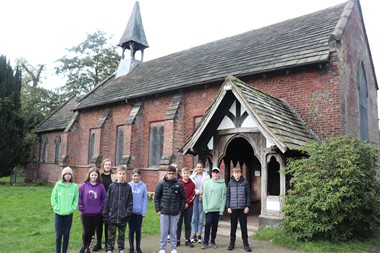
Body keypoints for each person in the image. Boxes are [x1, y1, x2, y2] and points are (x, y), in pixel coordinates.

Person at [154, 166, 186, 253]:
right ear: (166, 174)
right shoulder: (161, 184)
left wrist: (181, 209)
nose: (171, 175)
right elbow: (156, 198)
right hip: (164, 211)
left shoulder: (179, 184)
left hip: (175, 212)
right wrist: (158, 210)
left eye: (173, 174)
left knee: (173, 231)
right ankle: (162, 248)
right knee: (164, 232)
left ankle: (173, 248)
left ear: (175, 174)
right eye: (169, 173)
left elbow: (183, 198)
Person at [103, 166, 133, 253]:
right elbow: (107, 201)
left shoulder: (128, 187)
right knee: (111, 234)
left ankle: (121, 248)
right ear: (117, 174)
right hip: (112, 215)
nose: (122, 175)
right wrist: (106, 214)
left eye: (123, 174)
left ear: (125, 175)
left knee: (121, 234)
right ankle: (110, 249)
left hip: (123, 216)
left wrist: (127, 213)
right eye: (120, 173)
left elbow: (130, 202)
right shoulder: (112, 186)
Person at [78, 167, 107, 253]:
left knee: (92, 232)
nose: (93, 176)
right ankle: (84, 245)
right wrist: (81, 207)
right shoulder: (83, 186)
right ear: (89, 175)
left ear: (98, 176)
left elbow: (104, 199)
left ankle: (88, 248)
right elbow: (79, 198)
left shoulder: (101, 186)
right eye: (92, 175)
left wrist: (100, 208)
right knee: (86, 231)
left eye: (95, 175)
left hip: (96, 213)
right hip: (85, 213)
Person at [51, 166, 79, 253]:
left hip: (68, 214)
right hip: (58, 214)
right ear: (63, 175)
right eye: (66, 174)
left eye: (69, 174)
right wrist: (57, 208)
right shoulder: (58, 185)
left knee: (66, 234)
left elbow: (76, 200)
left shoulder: (74, 187)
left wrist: (72, 209)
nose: (67, 176)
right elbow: (53, 198)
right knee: (59, 235)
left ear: (71, 176)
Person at [226, 167, 252, 252]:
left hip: (242, 209)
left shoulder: (245, 183)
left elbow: (248, 195)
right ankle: (232, 243)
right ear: (233, 174)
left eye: (238, 173)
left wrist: (247, 206)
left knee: (243, 227)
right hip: (233, 209)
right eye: (235, 173)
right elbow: (228, 196)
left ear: (241, 174)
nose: (237, 174)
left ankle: (246, 244)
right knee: (233, 227)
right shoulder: (230, 183)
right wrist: (228, 206)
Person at [201, 167, 226, 249]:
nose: (215, 174)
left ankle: (212, 241)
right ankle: (205, 242)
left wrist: (221, 209)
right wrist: (205, 208)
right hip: (209, 209)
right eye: (214, 173)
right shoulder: (208, 184)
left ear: (219, 174)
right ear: (211, 174)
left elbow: (223, 198)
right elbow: (205, 196)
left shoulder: (222, 184)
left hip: (217, 209)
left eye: (217, 173)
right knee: (207, 224)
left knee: (215, 225)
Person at [93, 158, 115, 251]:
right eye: (106, 164)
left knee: (108, 224)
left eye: (109, 165)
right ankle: (98, 243)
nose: (107, 166)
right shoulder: (99, 176)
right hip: (99, 203)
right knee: (99, 224)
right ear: (103, 165)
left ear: (111, 166)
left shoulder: (114, 176)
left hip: (110, 204)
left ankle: (107, 244)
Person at [189, 161, 210, 244]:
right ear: (196, 168)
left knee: (201, 216)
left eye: (200, 167)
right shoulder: (192, 177)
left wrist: (202, 194)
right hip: (194, 196)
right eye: (198, 167)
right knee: (194, 216)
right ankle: (193, 234)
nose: (199, 168)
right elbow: (191, 188)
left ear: (203, 168)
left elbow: (207, 187)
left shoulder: (207, 177)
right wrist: (198, 192)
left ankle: (199, 234)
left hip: (202, 197)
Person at [128, 168, 148, 253]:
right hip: (130, 212)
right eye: (134, 176)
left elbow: (145, 199)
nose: (136, 177)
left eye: (137, 176)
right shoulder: (129, 185)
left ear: (140, 176)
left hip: (139, 212)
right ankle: (131, 247)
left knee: (138, 230)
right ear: (132, 176)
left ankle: (138, 247)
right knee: (131, 230)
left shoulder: (143, 186)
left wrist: (143, 211)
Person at [176, 167, 196, 247]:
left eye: (187, 173)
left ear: (189, 174)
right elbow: (176, 194)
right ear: (181, 174)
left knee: (188, 224)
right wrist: (182, 203)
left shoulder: (192, 184)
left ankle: (187, 240)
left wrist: (187, 203)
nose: (186, 175)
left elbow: (193, 195)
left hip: (189, 207)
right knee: (178, 224)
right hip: (179, 207)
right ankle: (177, 240)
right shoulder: (178, 183)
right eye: (184, 173)